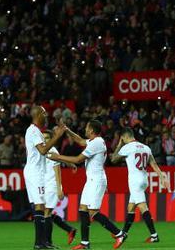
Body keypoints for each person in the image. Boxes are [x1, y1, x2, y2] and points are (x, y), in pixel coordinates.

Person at [47, 120, 126, 250]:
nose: (85, 129)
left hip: (97, 180)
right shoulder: (94, 142)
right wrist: (67, 130)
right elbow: (81, 141)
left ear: (91, 131)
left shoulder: (97, 143)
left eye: (87, 127)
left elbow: (78, 159)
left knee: (93, 212)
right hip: (91, 180)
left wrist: (58, 157)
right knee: (83, 209)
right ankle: (85, 243)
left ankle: (119, 234)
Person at [110, 128, 170, 243]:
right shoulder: (145, 147)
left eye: (122, 139)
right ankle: (124, 232)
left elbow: (113, 159)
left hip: (135, 181)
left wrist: (119, 145)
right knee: (131, 207)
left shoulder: (127, 147)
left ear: (124, 137)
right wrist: (161, 176)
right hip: (144, 179)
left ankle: (154, 235)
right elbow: (153, 163)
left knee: (143, 207)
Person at [24, 106, 67, 250]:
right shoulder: (34, 131)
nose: (46, 115)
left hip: (36, 172)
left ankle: (40, 242)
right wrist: (57, 136)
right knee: (40, 206)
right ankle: (39, 243)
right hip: (35, 172)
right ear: (37, 114)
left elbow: (48, 153)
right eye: (44, 112)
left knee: (40, 206)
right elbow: (43, 151)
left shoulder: (35, 131)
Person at [42, 130, 77, 247]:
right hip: (45, 185)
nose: (44, 140)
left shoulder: (52, 150)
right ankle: (69, 229)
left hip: (52, 185)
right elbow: (58, 159)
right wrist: (69, 163)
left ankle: (48, 242)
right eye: (43, 138)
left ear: (52, 139)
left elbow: (57, 171)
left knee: (46, 212)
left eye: (47, 138)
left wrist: (59, 189)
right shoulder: (45, 150)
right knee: (45, 212)